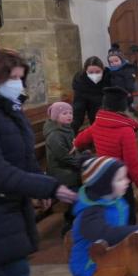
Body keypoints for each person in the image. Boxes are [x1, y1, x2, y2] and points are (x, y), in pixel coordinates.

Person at [0, 49, 78, 276]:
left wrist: (37, 179)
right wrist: (49, 186)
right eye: (11, 78)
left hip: (9, 210)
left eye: (20, 77)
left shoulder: (9, 110)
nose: (17, 83)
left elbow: (22, 154)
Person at [72, 86, 138, 276]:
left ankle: (112, 262)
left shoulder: (97, 124)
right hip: (120, 182)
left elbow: (81, 139)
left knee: (110, 223)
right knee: (126, 224)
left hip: (101, 182)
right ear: (123, 108)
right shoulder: (125, 130)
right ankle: (136, 268)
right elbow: (132, 162)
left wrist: (75, 145)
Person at [69, 156, 138, 276]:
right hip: (90, 273)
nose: (127, 182)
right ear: (103, 185)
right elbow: (106, 233)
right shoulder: (90, 212)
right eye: (120, 179)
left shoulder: (114, 200)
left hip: (111, 264)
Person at [44, 101, 82, 235]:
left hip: (68, 167)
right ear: (55, 116)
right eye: (64, 113)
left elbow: (72, 150)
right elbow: (63, 156)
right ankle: (70, 222)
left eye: (70, 113)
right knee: (79, 193)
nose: (69, 116)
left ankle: (77, 219)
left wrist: (81, 158)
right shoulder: (55, 135)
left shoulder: (67, 129)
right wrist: (81, 163)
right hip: (60, 172)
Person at [71, 56, 110, 134]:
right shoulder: (81, 84)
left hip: (112, 120)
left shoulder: (110, 80)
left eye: (98, 72)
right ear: (85, 71)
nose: (94, 75)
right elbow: (78, 111)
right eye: (91, 72)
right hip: (96, 122)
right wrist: (71, 132)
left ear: (103, 70)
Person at [106, 44, 138, 115]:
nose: (114, 63)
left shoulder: (127, 70)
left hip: (125, 95)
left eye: (116, 61)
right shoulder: (109, 71)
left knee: (125, 110)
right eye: (111, 62)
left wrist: (128, 92)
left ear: (121, 60)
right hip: (114, 98)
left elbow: (129, 81)